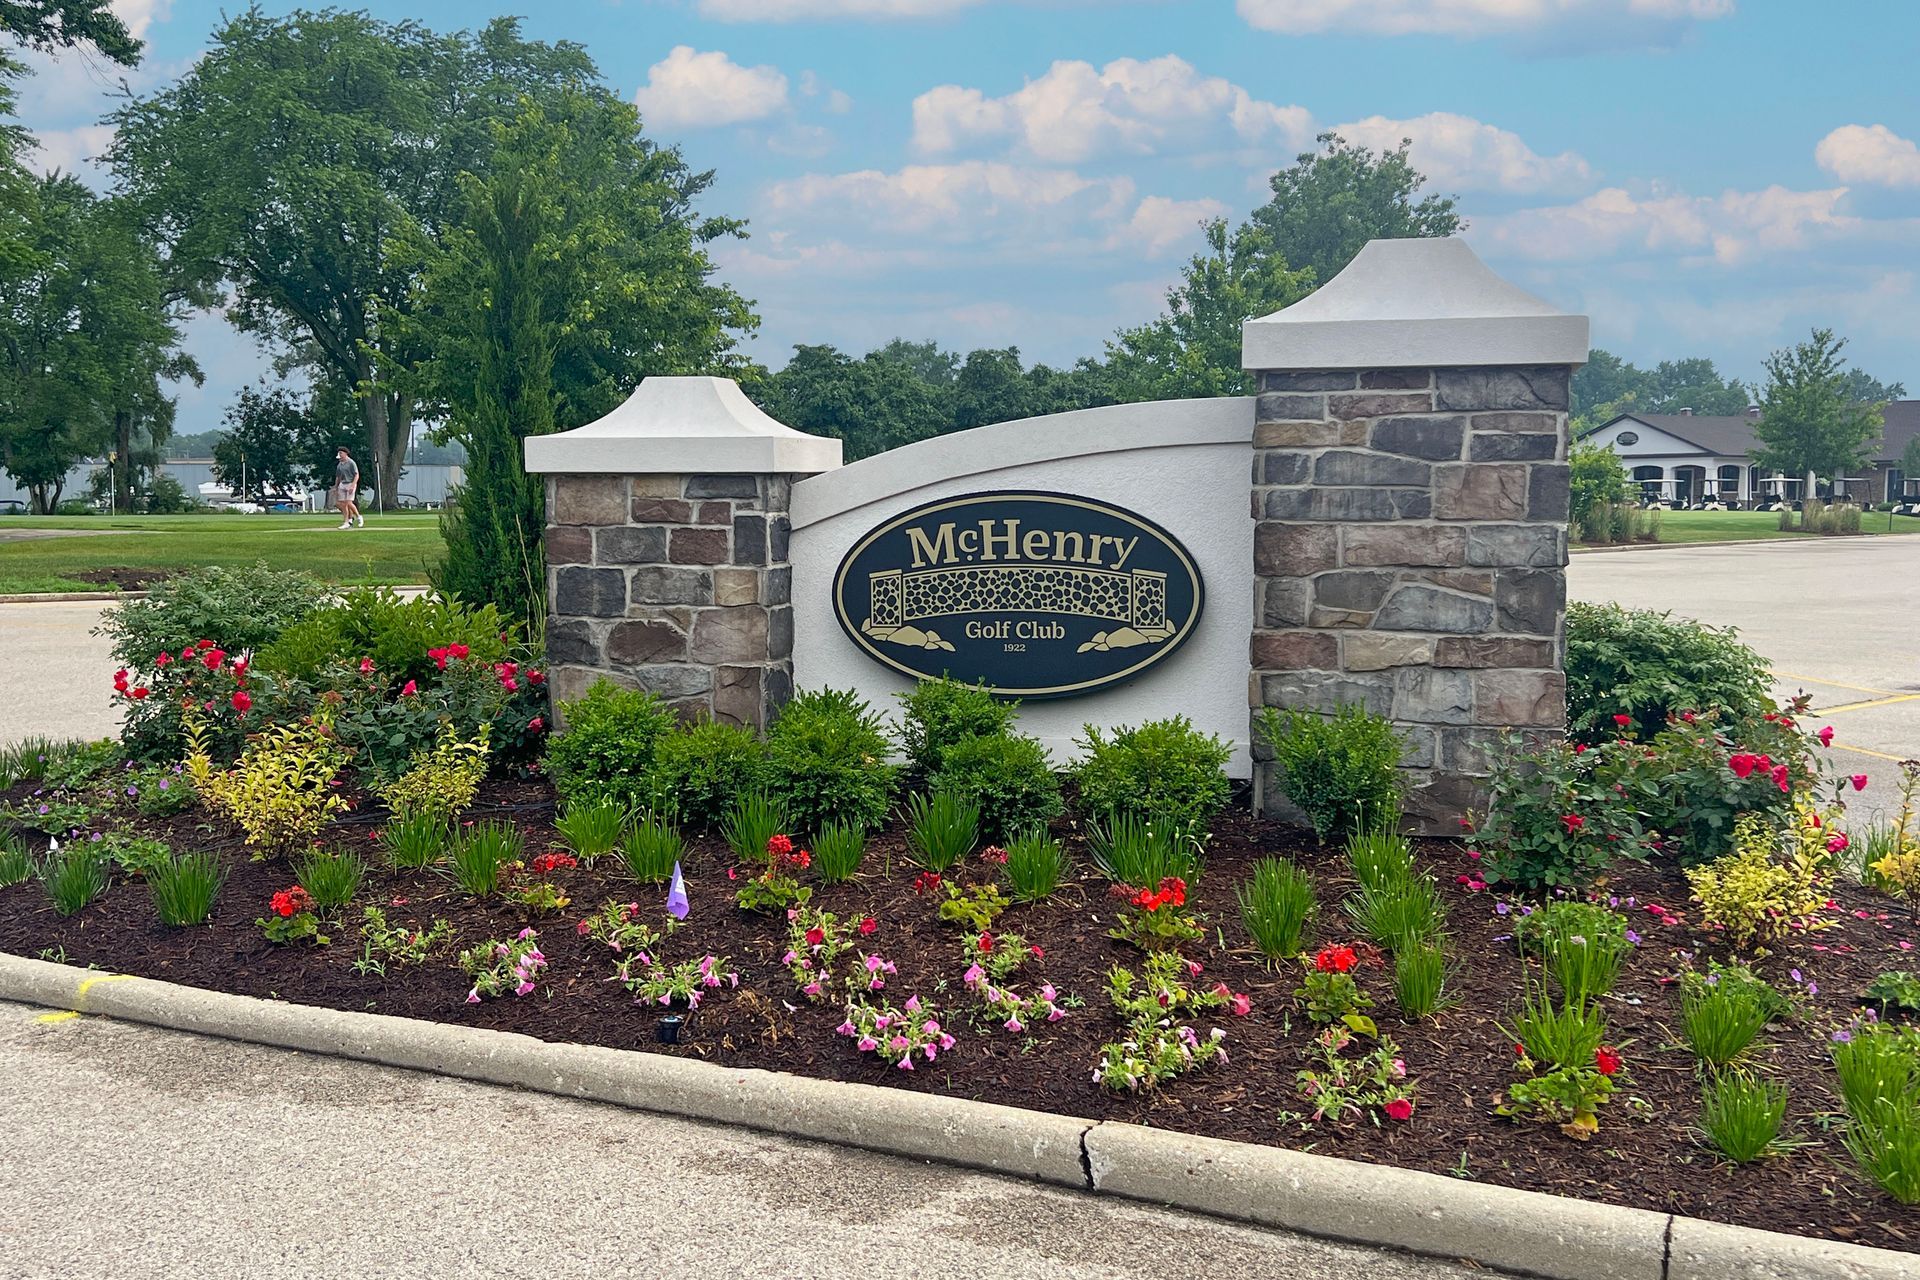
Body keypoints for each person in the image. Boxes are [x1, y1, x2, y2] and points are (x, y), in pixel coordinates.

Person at [332, 447, 363, 529]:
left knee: (348, 502)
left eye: (341, 454)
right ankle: (347, 521)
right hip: (343, 484)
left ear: (345, 453)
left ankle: (359, 516)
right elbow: (338, 477)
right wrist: (336, 487)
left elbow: (356, 475)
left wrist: (353, 485)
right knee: (342, 504)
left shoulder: (351, 463)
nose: (340, 457)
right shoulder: (340, 465)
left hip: (350, 483)